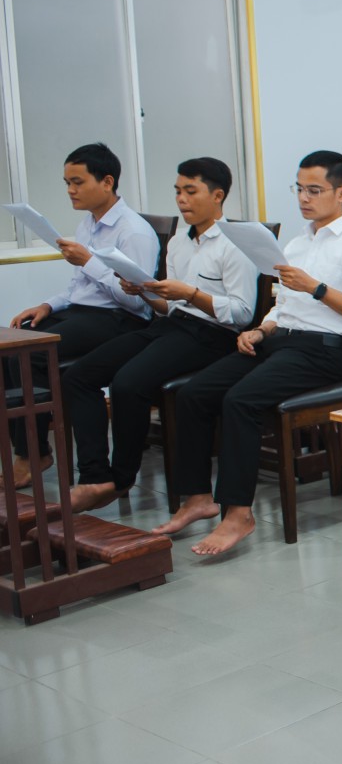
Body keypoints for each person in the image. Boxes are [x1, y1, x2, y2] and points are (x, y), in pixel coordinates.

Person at [161, 151, 342, 556]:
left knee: (239, 400)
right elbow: (282, 306)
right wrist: (260, 330)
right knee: (193, 393)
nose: (304, 198)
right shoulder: (296, 243)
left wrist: (316, 288)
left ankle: (238, 513)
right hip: (281, 341)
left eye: (314, 190)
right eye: (299, 189)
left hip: (323, 349)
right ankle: (197, 498)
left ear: (341, 193)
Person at [64, 158, 258, 513]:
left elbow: (242, 313)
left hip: (212, 336)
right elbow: (167, 307)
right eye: (178, 191)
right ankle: (95, 476)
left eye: (191, 191)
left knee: (127, 383)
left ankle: (121, 478)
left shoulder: (234, 244)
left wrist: (190, 294)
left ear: (217, 196)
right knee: (79, 375)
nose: (181, 199)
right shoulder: (180, 241)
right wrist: (144, 291)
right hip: (171, 325)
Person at [6, 142, 158, 487]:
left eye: (77, 182)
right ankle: (30, 449)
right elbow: (79, 286)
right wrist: (48, 305)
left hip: (120, 319)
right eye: (67, 183)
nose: (70, 191)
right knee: (12, 346)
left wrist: (90, 262)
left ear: (107, 182)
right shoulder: (88, 225)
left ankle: (33, 453)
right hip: (84, 312)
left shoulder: (133, 232)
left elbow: (138, 303)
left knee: (31, 353)